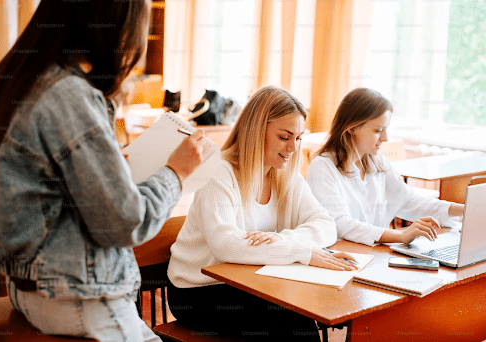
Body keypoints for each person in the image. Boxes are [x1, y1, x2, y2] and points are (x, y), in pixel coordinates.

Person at [0, 1, 207, 341]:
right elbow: (126, 222)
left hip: (26, 290)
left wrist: (108, 164)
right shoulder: (69, 94)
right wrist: (176, 171)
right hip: (80, 298)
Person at [167, 85, 357, 341]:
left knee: (297, 313)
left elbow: (325, 225)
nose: (292, 148)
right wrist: (303, 252)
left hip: (252, 279)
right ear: (256, 132)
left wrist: (283, 240)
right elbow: (226, 246)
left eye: (298, 138)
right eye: (284, 136)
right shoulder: (220, 171)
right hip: (198, 289)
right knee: (288, 318)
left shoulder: (285, 173)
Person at [306, 88, 464, 246]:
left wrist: (463, 209)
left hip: (376, 254)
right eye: (378, 130)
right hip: (346, 255)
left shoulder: (377, 161)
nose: (385, 138)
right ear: (352, 128)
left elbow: (409, 201)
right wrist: (400, 236)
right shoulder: (322, 167)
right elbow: (340, 224)